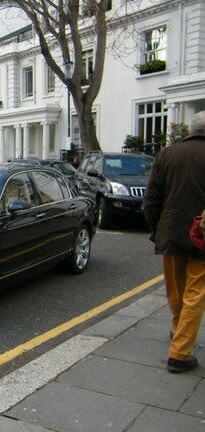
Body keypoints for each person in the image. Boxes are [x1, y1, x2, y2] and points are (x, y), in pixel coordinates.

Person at [143, 111, 205, 373]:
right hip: (201, 233)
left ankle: (178, 332)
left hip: (170, 231)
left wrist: (156, 228)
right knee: (195, 294)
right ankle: (180, 353)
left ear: (190, 130)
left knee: (176, 290)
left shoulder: (167, 154)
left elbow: (151, 198)